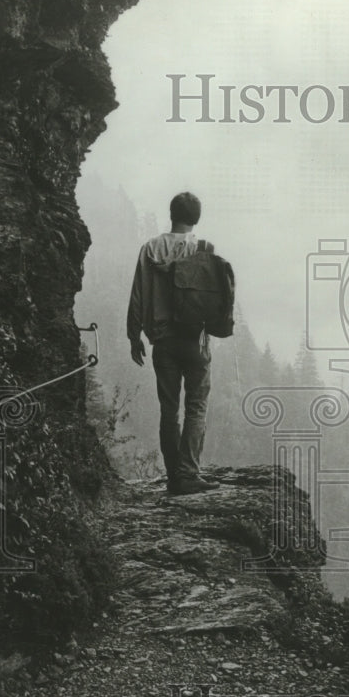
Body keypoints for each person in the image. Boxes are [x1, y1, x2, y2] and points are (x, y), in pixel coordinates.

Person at [127, 191, 220, 495]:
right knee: (196, 406)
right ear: (197, 218)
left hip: (163, 341)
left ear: (171, 214)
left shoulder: (151, 248)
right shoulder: (203, 249)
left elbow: (138, 294)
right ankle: (189, 472)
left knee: (169, 410)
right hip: (195, 342)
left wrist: (134, 335)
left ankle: (174, 478)